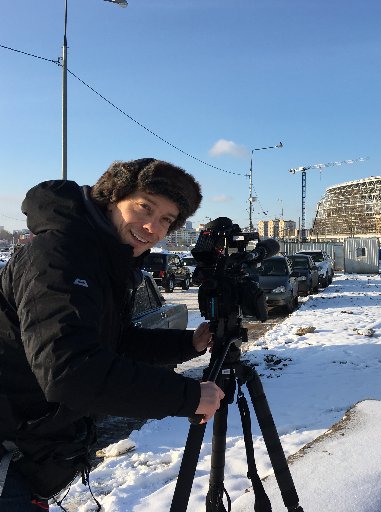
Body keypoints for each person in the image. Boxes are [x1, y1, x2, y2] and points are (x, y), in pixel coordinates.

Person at [0, 158, 225, 510]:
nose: (152, 227)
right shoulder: (59, 255)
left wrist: (189, 343)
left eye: (166, 219)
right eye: (144, 207)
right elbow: (70, 373)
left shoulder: (103, 259)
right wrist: (187, 396)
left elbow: (115, 342)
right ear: (111, 198)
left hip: (30, 451)